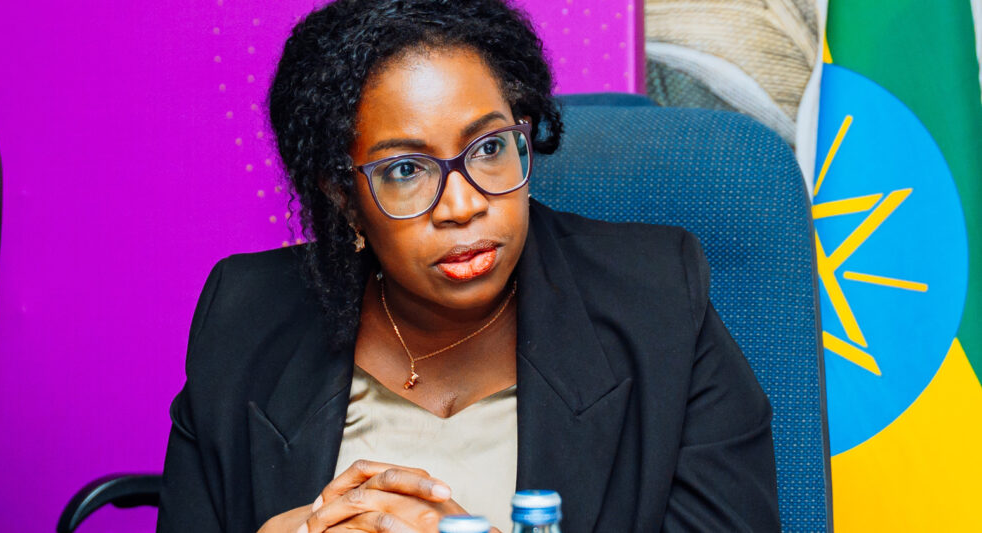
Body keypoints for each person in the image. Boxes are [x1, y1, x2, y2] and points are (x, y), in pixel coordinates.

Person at [157, 1, 780, 532]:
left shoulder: (658, 301)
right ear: (344, 196)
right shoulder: (245, 315)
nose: (463, 205)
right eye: (406, 169)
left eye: (488, 148)